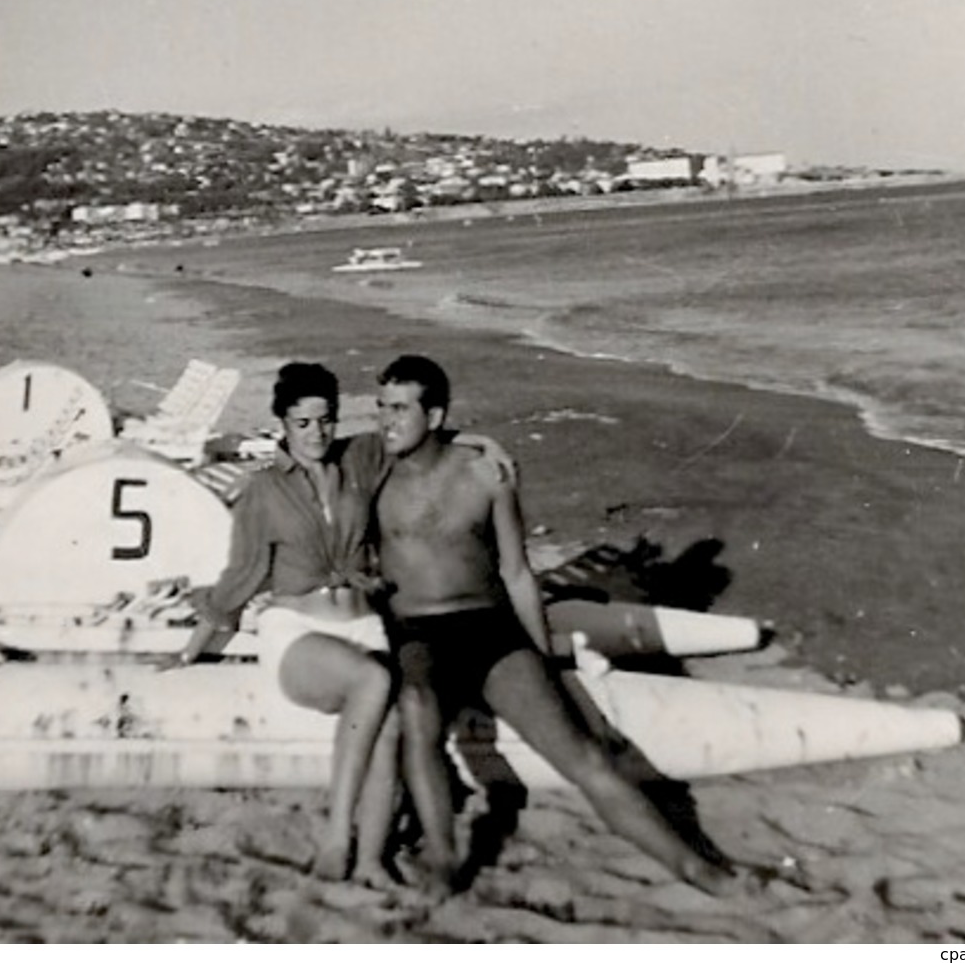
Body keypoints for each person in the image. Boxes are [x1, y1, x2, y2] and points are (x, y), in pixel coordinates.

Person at [372, 353, 743, 897]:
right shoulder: (371, 471)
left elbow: (518, 573)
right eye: (381, 407)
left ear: (434, 415)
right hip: (419, 635)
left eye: (400, 409)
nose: (386, 420)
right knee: (417, 707)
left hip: (489, 628)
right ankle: (446, 857)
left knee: (583, 754)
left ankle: (697, 868)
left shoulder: (484, 475)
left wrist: (542, 659)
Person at [178, 362, 398, 886]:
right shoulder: (263, 491)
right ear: (282, 422)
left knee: (391, 727)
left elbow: (418, 432)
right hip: (297, 633)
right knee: (376, 680)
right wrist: (191, 653)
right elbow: (240, 578)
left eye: (327, 420)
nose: (317, 433)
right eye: (303, 423)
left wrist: (487, 447)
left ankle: (371, 860)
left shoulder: (359, 463)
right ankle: (336, 841)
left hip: (364, 624)